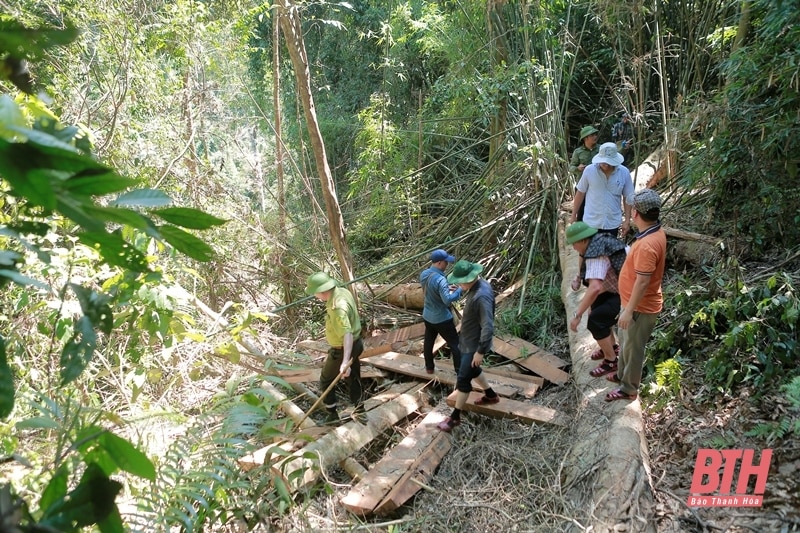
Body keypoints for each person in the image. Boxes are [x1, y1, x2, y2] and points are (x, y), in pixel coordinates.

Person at [605, 189, 666, 402]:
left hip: (640, 307)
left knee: (633, 348)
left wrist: (628, 310)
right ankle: (622, 375)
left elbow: (643, 281)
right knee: (626, 342)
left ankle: (629, 389)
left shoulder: (648, 245)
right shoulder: (653, 233)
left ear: (636, 215)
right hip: (632, 303)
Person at [437, 260, 500, 432]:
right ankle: (491, 395)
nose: (457, 284)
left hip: (475, 344)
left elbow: (488, 326)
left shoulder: (481, 297)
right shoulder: (479, 286)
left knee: (463, 378)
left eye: (459, 281)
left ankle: (454, 418)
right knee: (473, 369)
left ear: (469, 278)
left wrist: (480, 351)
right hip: (469, 340)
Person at [568, 142, 634, 290]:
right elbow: (580, 193)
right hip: (591, 220)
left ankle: (603, 284)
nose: (604, 164)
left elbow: (628, 197)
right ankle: (580, 276)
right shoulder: (590, 171)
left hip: (611, 221)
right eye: (603, 161)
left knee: (606, 254)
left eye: (608, 162)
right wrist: (573, 216)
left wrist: (627, 221)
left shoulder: (623, 173)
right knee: (585, 251)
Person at [566, 221, 627, 378]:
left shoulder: (596, 252)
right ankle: (612, 347)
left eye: (574, 244)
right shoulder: (599, 240)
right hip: (620, 288)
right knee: (597, 306)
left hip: (630, 294)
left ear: (583, 240)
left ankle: (611, 361)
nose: (573, 248)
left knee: (595, 321)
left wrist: (578, 315)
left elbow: (595, 287)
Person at [305, 271, 364, 423]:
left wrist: (344, 361)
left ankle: (332, 415)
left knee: (326, 380)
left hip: (343, 349)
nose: (314, 296)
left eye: (315, 293)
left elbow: (347, 334)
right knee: (353, 378)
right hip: (357, 344)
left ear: (322, 291)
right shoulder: (342, 291)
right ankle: (360, 410)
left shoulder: (337, 307)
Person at [420, 249, 463, 374]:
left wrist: (447, 288)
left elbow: (430, 288)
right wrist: (459, 290)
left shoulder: (424, 274)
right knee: (455, 344)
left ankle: (429, 368)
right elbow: (447, 301)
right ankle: (460, 372)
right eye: (446, 262)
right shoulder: (441, 279)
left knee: (429, 341)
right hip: (442, 318)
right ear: (439, 263)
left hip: (428, 316)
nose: (447, 265)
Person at [568, 125, 600, 223]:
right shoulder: (578, 152)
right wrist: (578, 168)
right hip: (582, 185)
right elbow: (571, 168)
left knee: (596, 211)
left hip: (598, 185)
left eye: (595, 134)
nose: (595, 137)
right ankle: (582, 234)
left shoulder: (601, 149)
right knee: (581, 211)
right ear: (586, 138)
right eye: (592, 135)